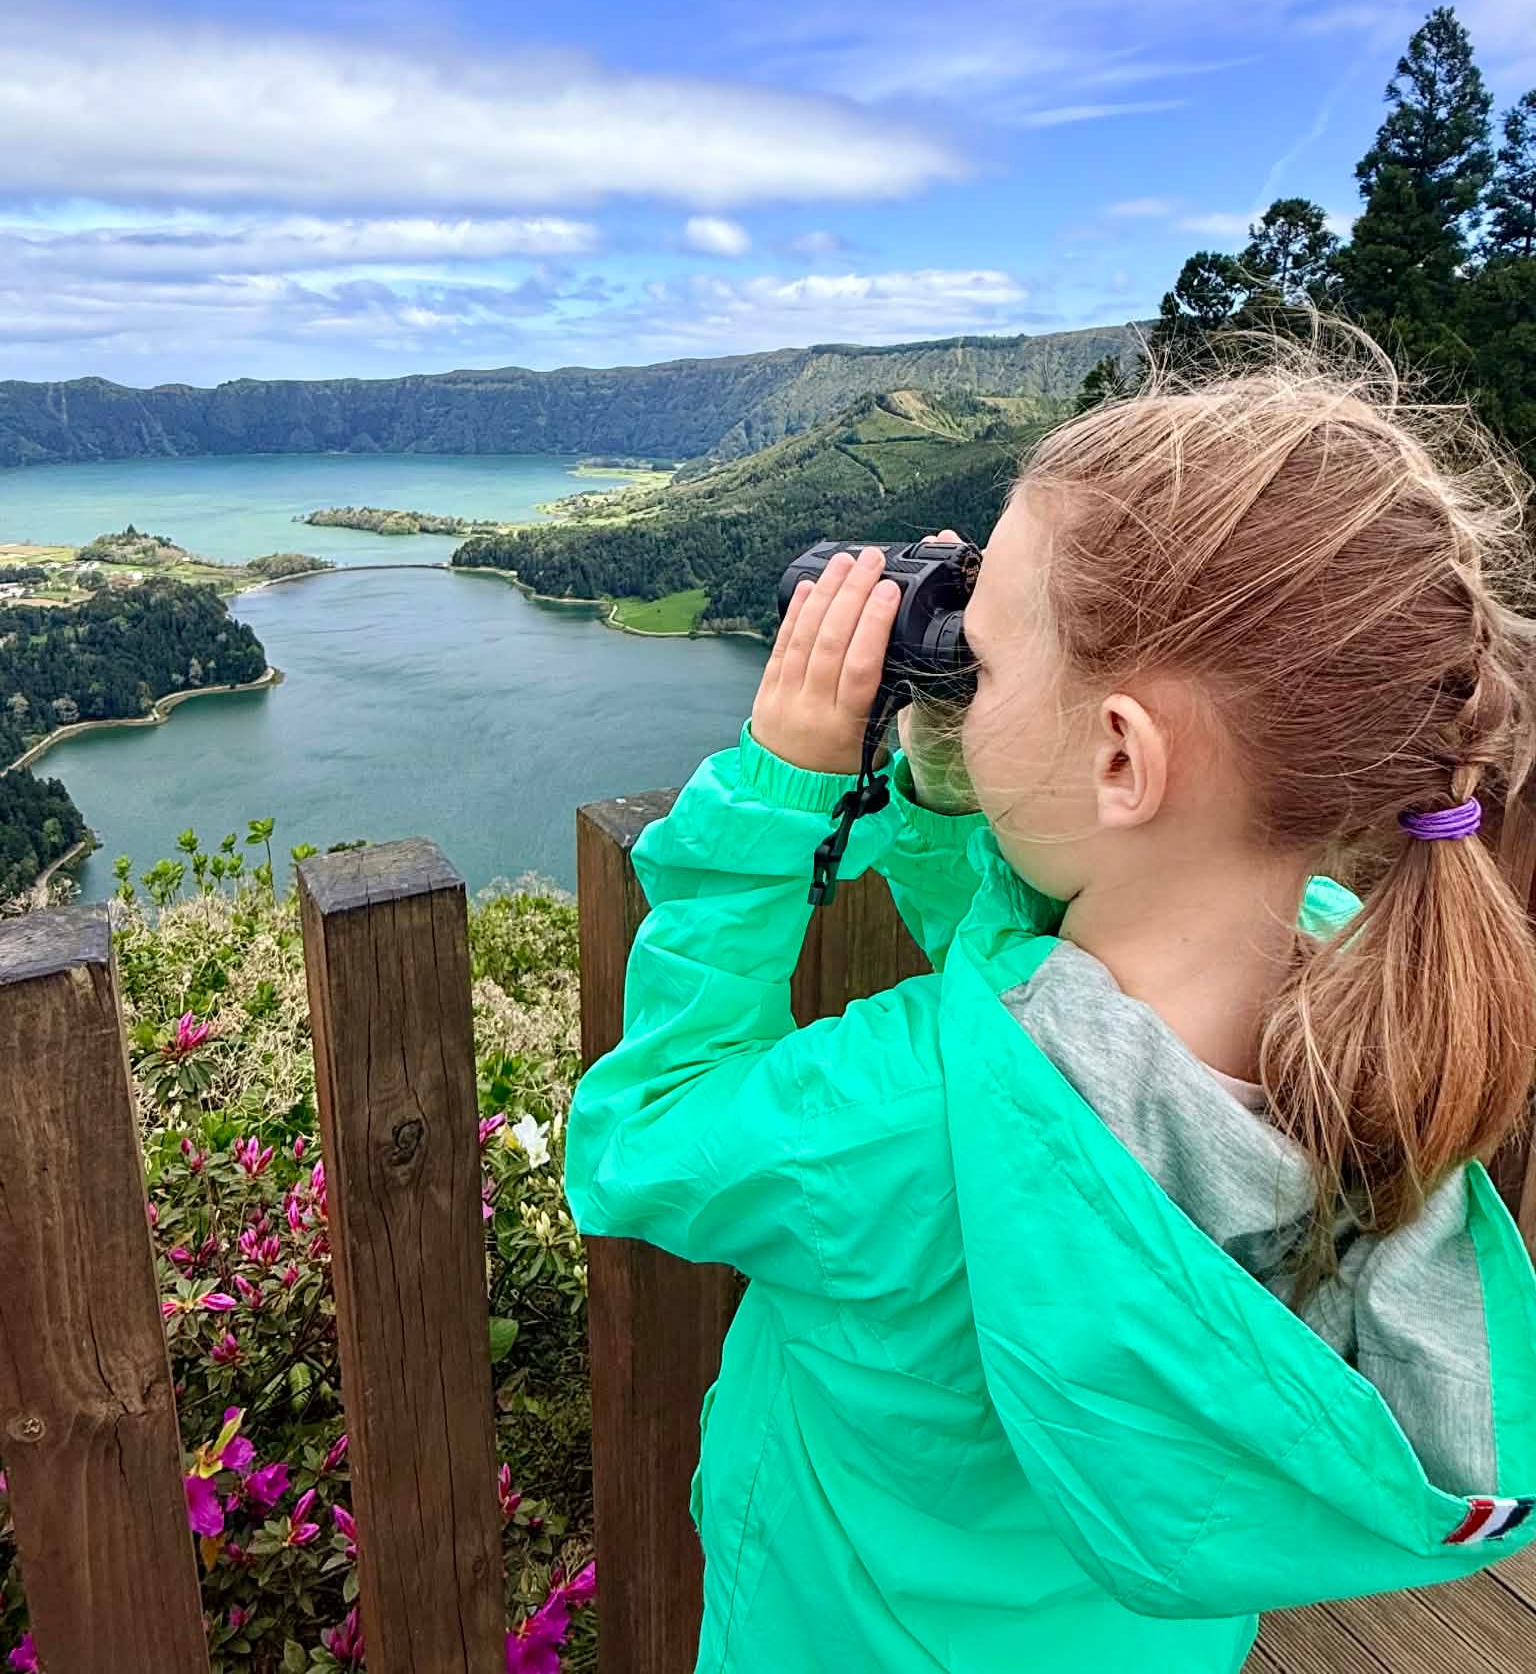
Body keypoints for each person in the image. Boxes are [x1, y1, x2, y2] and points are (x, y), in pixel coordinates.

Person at [563, 339, 1536, 1673]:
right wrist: (968, 767)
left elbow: (644, 1143)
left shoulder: (906, 1114)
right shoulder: (1358, 997)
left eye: (985, 655)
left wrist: (772, 800)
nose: (958, 661)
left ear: (1124, 756)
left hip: (843, 1634)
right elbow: (1045, 973)